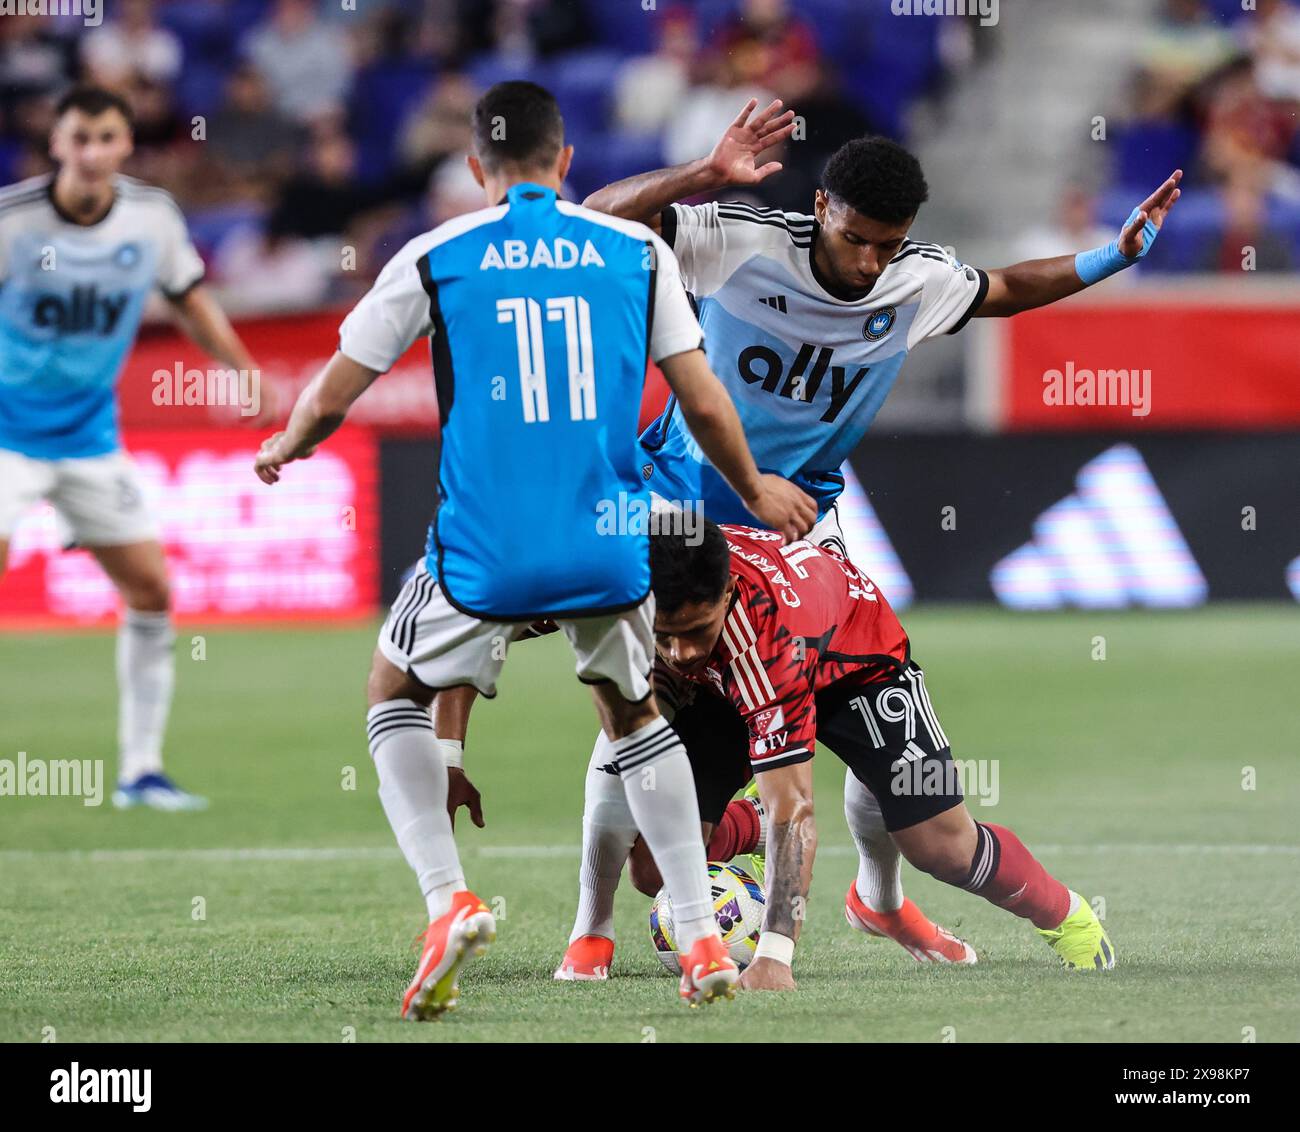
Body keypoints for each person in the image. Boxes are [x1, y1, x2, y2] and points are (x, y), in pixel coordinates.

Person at [548, 98, 1180, 980]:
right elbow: (585, 226)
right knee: (629, 729)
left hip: (802, 549)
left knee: (909, 802)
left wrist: (1110, 255)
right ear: (819, 212)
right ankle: (599, 925)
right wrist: (701, 173)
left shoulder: (912, 281)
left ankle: (875, 894)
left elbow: (1003, 290)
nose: (871, 262)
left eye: (890, 242)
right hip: (680, 527)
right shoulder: (737, 240)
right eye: (857, 239)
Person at [252, 81, 816, 1019]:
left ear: (477, 169)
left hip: (483, 548)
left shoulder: (437, 255)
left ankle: (447, 902)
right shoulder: (636, 251)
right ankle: (700, 930)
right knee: (635, 716)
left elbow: (336, 390)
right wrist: (755, 489)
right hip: (610, 542)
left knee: (394, 688)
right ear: (564, 164)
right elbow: (705, 399)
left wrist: (287, 445)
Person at [636, 520, 1115, 990]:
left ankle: (1068, 918)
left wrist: (774, 956)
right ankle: (761, 829)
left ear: (729, 592)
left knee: (943, 849)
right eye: (665, 635)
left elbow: (796, 811)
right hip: (728, 679)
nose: (679, 653)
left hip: (858, 666)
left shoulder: (770, 645)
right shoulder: (634, 590)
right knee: (655, 866)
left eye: (696, 630)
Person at [0, 86, 264, 811]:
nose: (91, 153)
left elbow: (189, 297)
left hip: (89, 440)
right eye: (77, 138)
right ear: (55, 144)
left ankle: (140, 773)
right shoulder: (13, 222)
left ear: (125, 146)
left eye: (105, 138)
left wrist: (243, 372)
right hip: (7, 437)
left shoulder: (151, 217)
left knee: (150, 589)